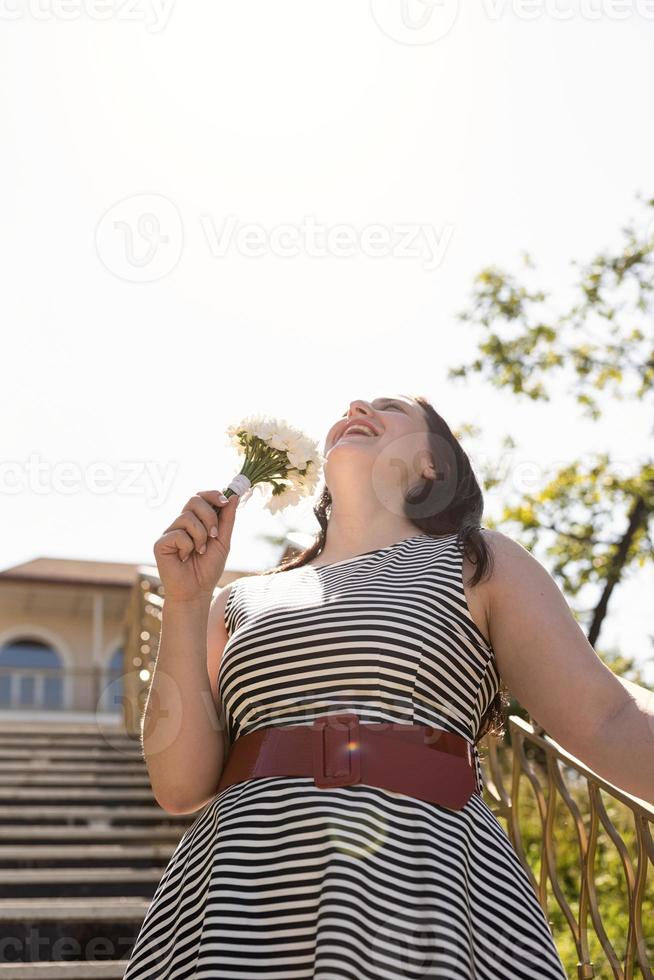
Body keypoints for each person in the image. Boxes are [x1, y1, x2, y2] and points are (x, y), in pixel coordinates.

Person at [123, 392, 648, 979]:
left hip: (427, 886)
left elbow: (607, 720)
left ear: (433, 465)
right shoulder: (240, 598)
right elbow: (179, 786)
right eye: (351, 407)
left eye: (391, 407)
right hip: (241, 889)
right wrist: (186, 600)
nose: (356, 405)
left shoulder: (478, 561)